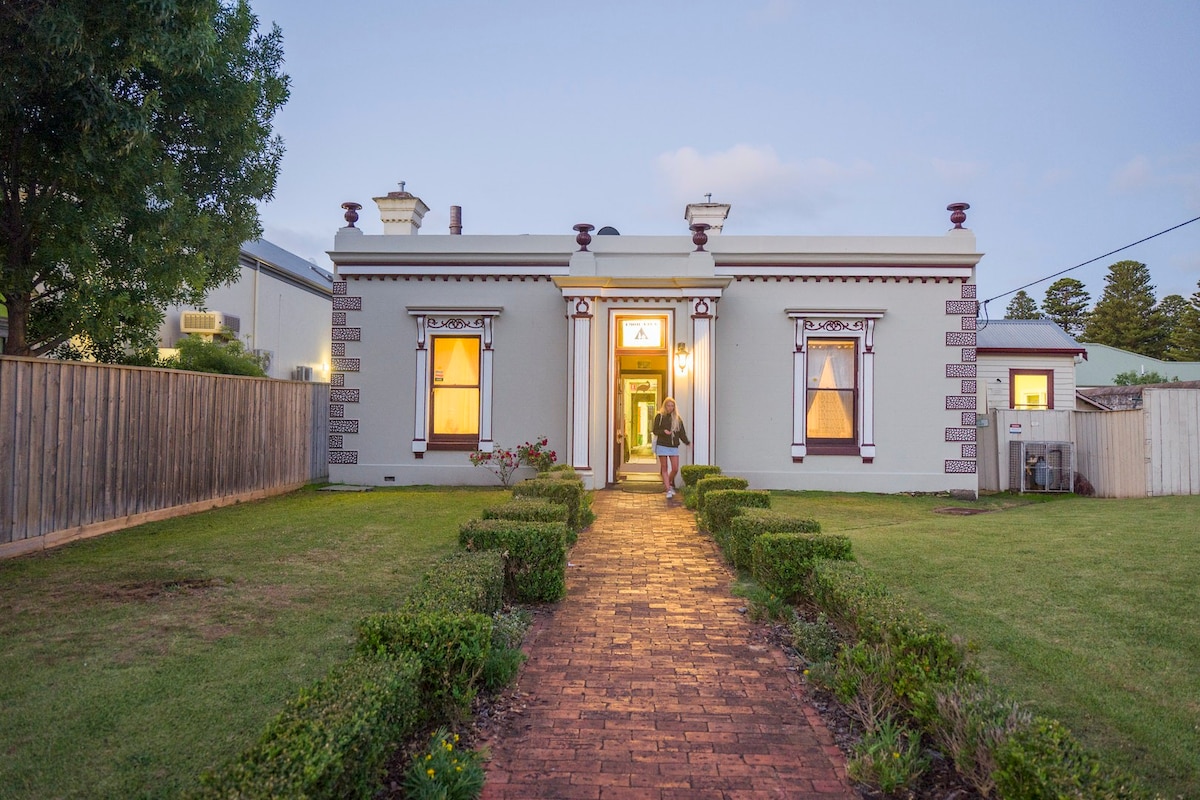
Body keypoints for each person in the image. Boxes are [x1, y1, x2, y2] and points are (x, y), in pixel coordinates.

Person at [652, 397, 689, 499]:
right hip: (662, 445)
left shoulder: (677, 419)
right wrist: (664, 431)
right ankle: (668, 488)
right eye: (668, 405)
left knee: (675, 468)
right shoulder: (659, 416)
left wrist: (687, 442)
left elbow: (682, 433)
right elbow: (655, 430)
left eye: (672, 406)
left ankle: (667, 483)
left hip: (673, 446)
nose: (670, 408)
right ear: (665, 406)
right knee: (664, 467)